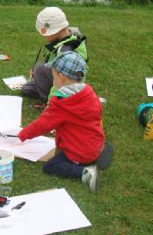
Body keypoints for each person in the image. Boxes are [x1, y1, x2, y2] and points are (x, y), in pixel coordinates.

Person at [18, 52, 110, 192]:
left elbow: (42, 124)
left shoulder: (61, 103)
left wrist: (23, 134)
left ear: (60, 77)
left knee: (50, 166)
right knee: (87, 144)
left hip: (79, 151)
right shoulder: (88, 92)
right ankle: (97, 153)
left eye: (53, 75)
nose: (53, 78)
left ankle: (85, 172)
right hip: (95, 142)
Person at [21, 7, 89, 108]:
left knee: (40, 69)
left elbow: (66, 79)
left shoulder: (65, 51)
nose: (44, 37)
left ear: (54, 31)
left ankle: (44, 99)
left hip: (64, 85)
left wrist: (51, 104)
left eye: (45, 34)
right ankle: (42, 85)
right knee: (26, 89)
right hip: (58, 79)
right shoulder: (70, 36)